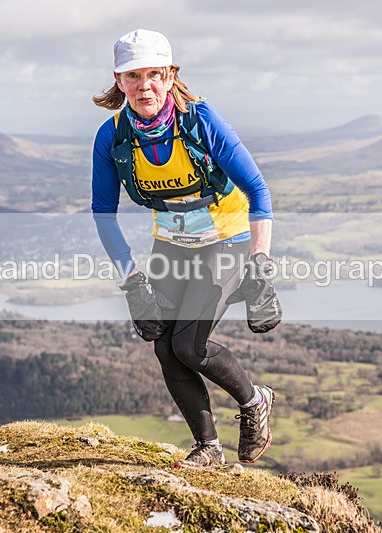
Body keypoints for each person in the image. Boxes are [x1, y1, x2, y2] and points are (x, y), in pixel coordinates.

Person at [91, 29, 281, 468]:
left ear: (170, 74)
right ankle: (208, 448)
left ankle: (255, 402)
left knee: (191, 347)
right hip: (171, 245)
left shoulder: (200, 120)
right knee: (163, 344)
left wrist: (260, 264)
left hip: (225, 240)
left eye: (154, 74)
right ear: (118, 80)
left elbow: (258, 191)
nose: (144, 86)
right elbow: (103, 211)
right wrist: (131, 280)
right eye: (132, 76)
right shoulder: (113, 136)